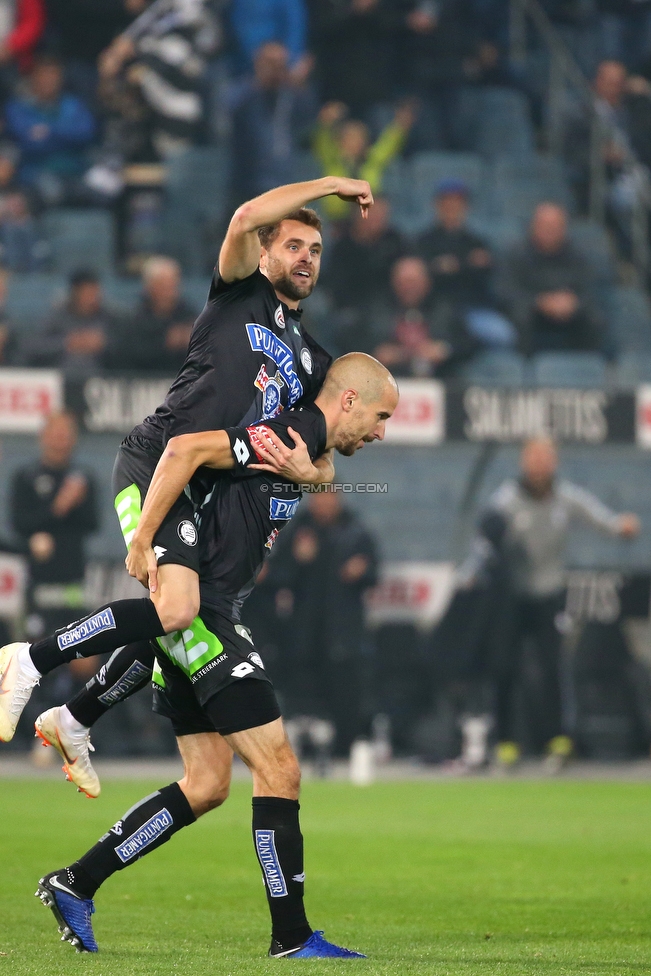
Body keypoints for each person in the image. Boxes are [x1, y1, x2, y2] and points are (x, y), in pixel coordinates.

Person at [0, 173, 374, 776]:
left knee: (181, 615)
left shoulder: (314, 360)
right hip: (157, 460)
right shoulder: (236, 293)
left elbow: (331, 439)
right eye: (293, 246)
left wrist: (316, 471)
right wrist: (330, 184)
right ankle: (29, 660)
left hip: (203, 490)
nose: (305, 258)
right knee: (177, 611)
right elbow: (246, 211)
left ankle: (73, 719)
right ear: (267, 251)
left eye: (315, 250)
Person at [35, 353, 398, 959]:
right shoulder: (277, 429)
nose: (383, 432)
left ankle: (77, 880)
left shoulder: (309, 445)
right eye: (381, 416)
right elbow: (188, 449)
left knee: (206, 784)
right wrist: (149, 534)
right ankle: (291, 936)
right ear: (350, 401)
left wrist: (316, 474)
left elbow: (328, 461)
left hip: (215, 604)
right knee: (278, 768)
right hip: (209, 608)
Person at [484, 437, 640, 769]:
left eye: (546, 457)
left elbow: (601, 519)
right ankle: (506, 743)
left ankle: (557, 742)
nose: (540, 463)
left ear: (554, 462)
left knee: (552, 667)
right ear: (524, 461)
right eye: (534, 457)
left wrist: (620, 526)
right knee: (505, 668)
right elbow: (484, 539)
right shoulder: (506, 501)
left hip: (549, 594)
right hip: (513, 597)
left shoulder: (565, 499)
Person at [270, 487, 379, 755]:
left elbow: (374, 572)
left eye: (331, 497)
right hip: (302, 631)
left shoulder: (356, 531)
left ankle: (345, 750)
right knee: (303, 695)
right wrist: (298, 560)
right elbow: (277, 578)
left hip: (343, 630)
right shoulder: (297, 531)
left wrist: (361, 571)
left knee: (345, 693)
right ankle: (302, 749)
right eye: (321, 497)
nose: (326, 503)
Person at [10, 412, 99, 641]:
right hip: (39, 582)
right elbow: (19, 524)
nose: (61, 441)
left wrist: (74, 505)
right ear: (43, 437)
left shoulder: (83, 478)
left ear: (74, 439)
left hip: (74, 583)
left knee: (83, 659)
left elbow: (93, 523)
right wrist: (57, 508)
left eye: (66, 435)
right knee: (35, 650)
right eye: (56, 434)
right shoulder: (26, 477)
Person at [416, 178, 515, 349]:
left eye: (457, 202)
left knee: (503, 335)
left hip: (472, 309)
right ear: (437, 205)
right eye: (447, 202)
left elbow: (485, 275)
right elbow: (423, 277)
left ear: (466, 207)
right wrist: (465, 265)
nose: (452, 207)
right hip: (433, 310)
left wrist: (454, 267)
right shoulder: (424, 241)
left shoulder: (476, 241)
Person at [498, 203, 604, 355]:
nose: (550, 230)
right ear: (533, 226)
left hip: (569, 310)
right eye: (545, 225)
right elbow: (505, 290)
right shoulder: (515, 254)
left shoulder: (579, 255)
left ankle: (585, 369)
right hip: (532, 309)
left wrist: (573, 302)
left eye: (556, 226)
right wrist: (540, 302)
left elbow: (589, 288)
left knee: (595, 319)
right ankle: (526, 370)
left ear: (564, 228)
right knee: (520, 317)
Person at [229, 42, 317, 204]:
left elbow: (309, 120)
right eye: (271, 63)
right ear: (258, 63)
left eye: (280, 64)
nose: (276, 69)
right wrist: (259, 83)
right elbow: (229, 110)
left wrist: (300, 85)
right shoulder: (244, 91)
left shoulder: (291, 97)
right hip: (248, 185)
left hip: (284, 184)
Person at [4, 55, 96, 205]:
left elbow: (86, 134)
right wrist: (67, 136)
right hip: (35, 175)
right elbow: (28, 143)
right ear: (34, 78)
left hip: (76, 172)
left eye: (54, 75)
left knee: (101, 191)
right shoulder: (18, 108)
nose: (50, 81)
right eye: (44, 75)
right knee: (51, 191)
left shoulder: (73, 105)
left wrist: (50, 132)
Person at [370, 255, 477, 377]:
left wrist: (445, 350)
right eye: (403, 282)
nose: (408, 287)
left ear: (427, 282)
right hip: (385, 379)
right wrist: (375, 353)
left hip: (441, 378)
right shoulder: (376, 309)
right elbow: (356, 340)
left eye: (413, 282)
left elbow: (467, 343)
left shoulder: (445, 308)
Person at [311, 100, 413, 222]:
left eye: (359, 137)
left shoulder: (373, 162)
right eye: (350, 137)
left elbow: (388, 145)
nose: (355, 142)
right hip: (336, 220)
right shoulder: (331, 160)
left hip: (366, 219)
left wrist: (400, 126)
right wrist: (325, 122)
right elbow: (322, 139)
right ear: (339, 141)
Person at [106, 257, 196, 374]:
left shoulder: (189, 316)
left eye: (172, 285)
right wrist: (165, 342)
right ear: (148, 287)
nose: (168, 292)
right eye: (162, 286)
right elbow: (125, 353)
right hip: (142, 380)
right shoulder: (133, 318)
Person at [28, 270, 116, 379]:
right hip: (62, 380)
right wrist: (67, 342)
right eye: (88, 292)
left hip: (100, 382)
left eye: (96, 292)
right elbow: (34, 347)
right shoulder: (57, 318)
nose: (93, 297)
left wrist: (103, 344)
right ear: (75, 292)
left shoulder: (110, 318)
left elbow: (125, 349)